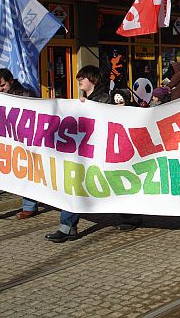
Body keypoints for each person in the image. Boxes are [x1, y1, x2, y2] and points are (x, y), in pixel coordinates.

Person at [45, 65, 144, 242]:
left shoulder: (105, 99)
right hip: (85, 154)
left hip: (104, 153)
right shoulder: (83, 100)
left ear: (93, 80)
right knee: (75, 185)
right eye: (79, 78)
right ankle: (67, 226)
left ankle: (130, 216)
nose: (79, 81)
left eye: (83, 77)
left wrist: (90, 106)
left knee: (115, 184)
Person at [0, 69, 39, 225]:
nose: (1, 88)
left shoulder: (27, 94)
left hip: (21, 143)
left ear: (11, 80)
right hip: (3, 141)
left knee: (26, 171)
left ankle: (30, 206)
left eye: (3, 85)